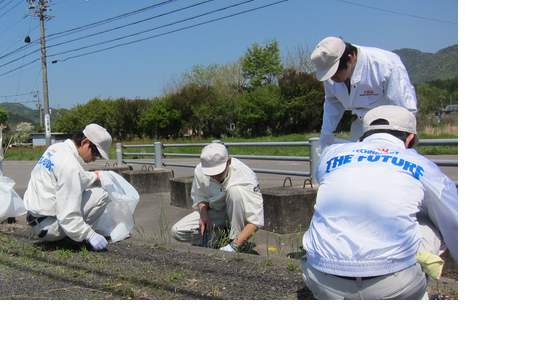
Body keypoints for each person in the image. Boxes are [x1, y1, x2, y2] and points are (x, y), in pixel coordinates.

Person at [300, 105, 458, 300]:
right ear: (409, 140)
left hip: (321, 279)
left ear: (363, 136)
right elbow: (454, 219)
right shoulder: (421, 164)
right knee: (432, 215)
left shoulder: (332, 153)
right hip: (395, 286)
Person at [310, 36, 418, 152]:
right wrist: (326, 133)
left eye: (336, 72)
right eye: (329, 74)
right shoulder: (332, 74)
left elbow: (404, 107)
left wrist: (402, 138)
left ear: (350, 58)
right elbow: (333, 102)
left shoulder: (384, 64)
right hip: (361, 124)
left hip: (391, 128)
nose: (332, 78)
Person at [23, 123, 113, 251]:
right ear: (85, 142)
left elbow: (75, 178)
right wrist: (90, 235)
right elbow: (67, 216)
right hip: (51, 228)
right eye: (95, 153)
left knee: (83, 191)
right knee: (100, 194)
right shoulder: (71, 167)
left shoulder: (56, 149)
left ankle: (71, 234)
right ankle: (73, 239)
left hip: (38, 222)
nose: (94, 159)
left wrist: (93, 176)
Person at [171, 143, 264, 252]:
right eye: (211, 174)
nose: (215, 177)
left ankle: (237, 242)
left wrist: (233, 247)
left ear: (228, 161)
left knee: (235, 192)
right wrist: (203, 212)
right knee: (177, 231)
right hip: (216, 212)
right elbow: (200, 196)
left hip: (237, 212)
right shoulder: (200, 170)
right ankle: (220, 239)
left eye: (219, 174)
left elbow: (256, 219)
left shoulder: (245, 175)